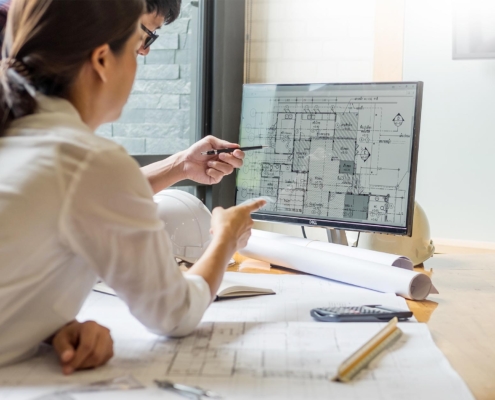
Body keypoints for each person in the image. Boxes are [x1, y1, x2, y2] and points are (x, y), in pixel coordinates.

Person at [0, 0, 265, 376]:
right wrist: (225, 237)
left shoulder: (22, 136)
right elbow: (174, 314)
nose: (141, 60)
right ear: (103, 60)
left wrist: (45, 327)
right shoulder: (87, 159)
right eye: (138, 46)